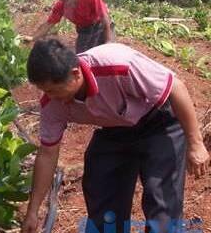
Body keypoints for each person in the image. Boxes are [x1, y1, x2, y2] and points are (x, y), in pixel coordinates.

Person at [21, 39, 210, 233]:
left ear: (75, 74)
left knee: (161, 203)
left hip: (158, 124)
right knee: (102, 193)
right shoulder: (51, 103)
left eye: (53, 90)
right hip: (115, 130)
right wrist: (33, 211)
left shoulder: (118, 64)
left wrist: (196, 143)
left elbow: (175, 87)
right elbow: (47, 154)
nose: (50, 97)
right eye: (45, 91)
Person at [25, 0, 115, 53]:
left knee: (104, 53)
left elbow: (104, 17)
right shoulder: (60, 6)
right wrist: (33, 38)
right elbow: (48, 24)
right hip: (84, 30)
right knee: (82, 57)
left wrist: (108, 41)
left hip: (100, 26)